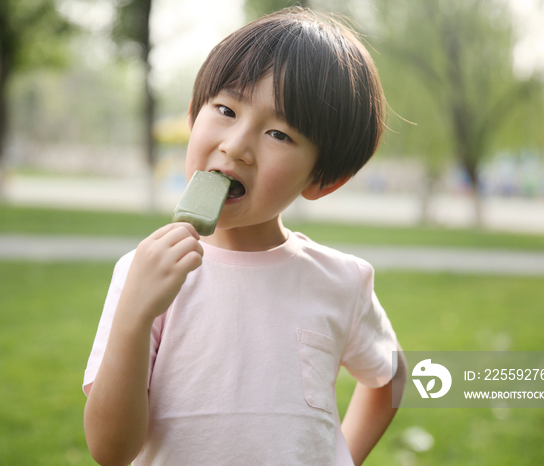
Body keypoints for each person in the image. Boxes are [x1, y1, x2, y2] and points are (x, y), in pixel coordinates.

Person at [83, 7, 407, 466]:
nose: (236, 145)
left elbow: (389, 376)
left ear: (322, 180)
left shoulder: (342, 281)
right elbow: (110, 451)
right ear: (193, 117)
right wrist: (135, 314)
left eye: (278, 133)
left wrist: (342, 456)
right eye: (226, 110)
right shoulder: (145, 272)